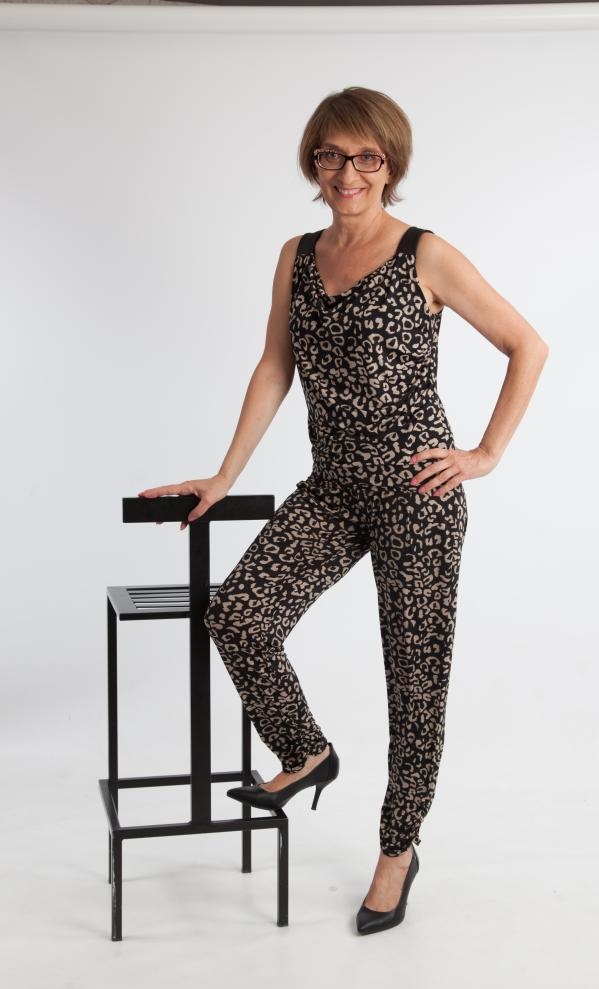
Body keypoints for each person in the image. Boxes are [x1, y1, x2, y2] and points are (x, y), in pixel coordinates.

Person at [138, 85, 549, 935]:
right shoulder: (296, 255)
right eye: (331, 155)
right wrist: (224, 475)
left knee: (414, 680)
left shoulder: (425, 254)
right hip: (333, 487)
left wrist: (483, 454)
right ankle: (307, 753)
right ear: (313, 164)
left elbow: (527, 345)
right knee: (238, 615)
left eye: (366, 157)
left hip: (417, 494)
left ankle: (397, 850)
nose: (347, 172)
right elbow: (274, 367)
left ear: (390, 164)